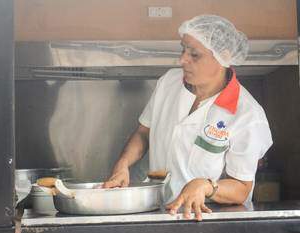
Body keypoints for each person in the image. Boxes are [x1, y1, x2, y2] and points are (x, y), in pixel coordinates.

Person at [103, 15, 273, 221]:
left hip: (210, 221)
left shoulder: (247, 114)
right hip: (160, 213)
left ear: (223, 57)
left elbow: (242, 188)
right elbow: (143, 133)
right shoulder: (169, 82)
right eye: (183, 49)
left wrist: (206, 186)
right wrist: (123, 164)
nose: (182, 60)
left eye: (195, 55)